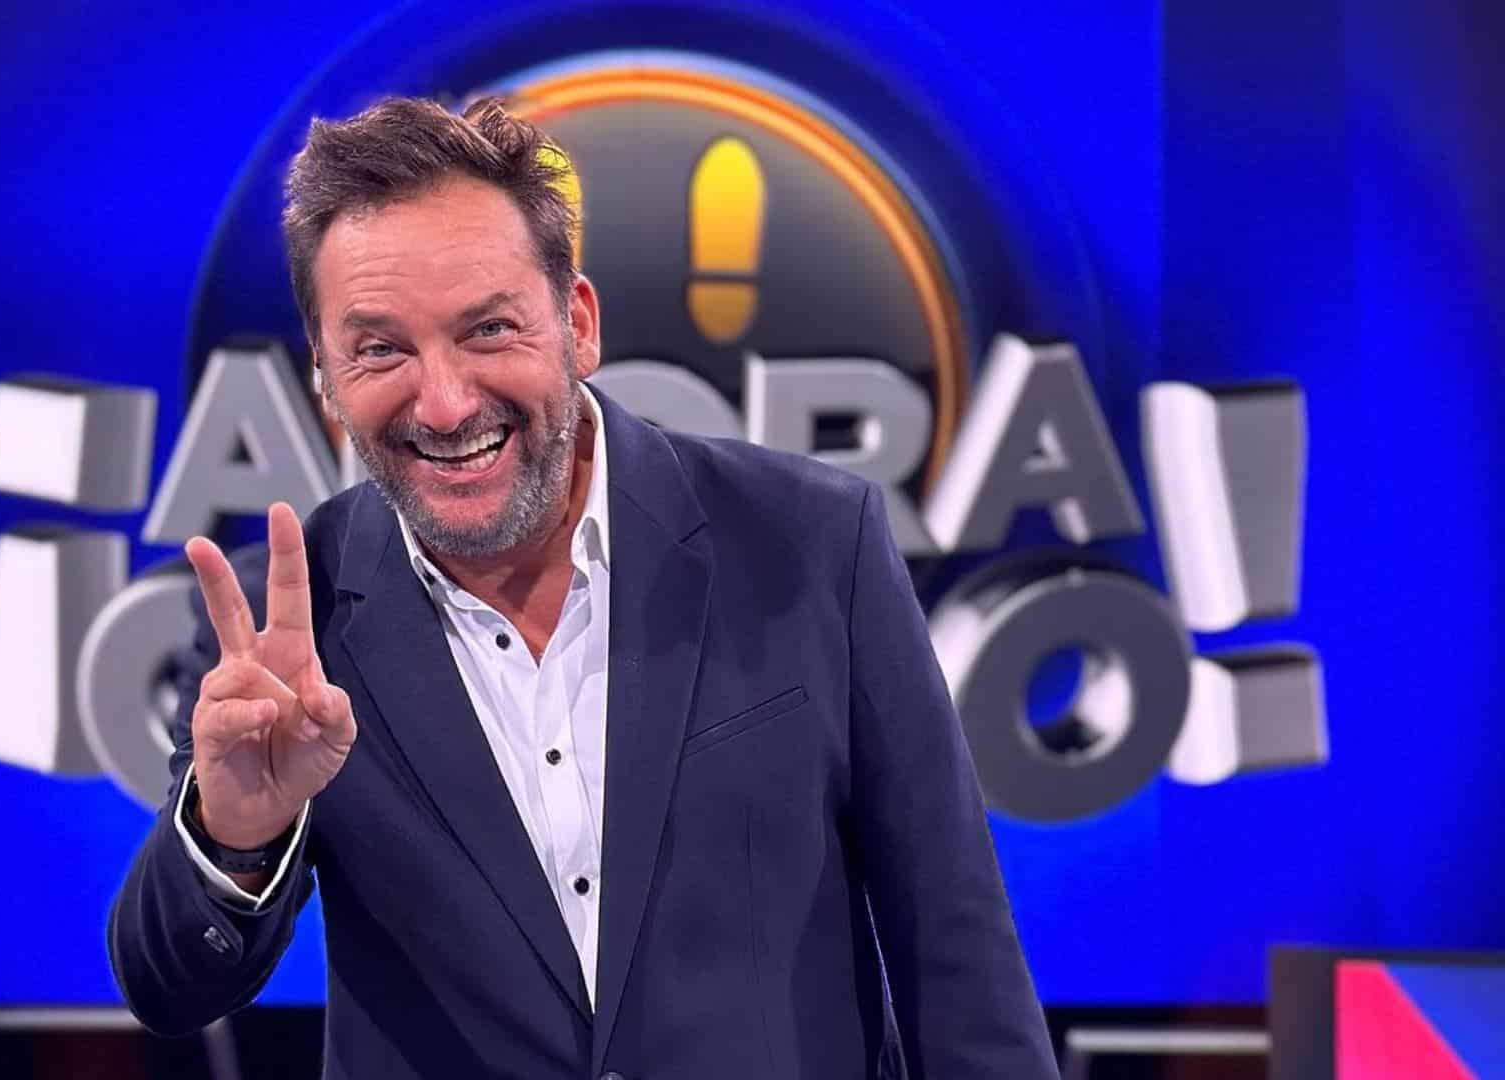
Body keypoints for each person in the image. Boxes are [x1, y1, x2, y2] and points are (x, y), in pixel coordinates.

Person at [109, 96, 1057, 1079]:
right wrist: (236, 832)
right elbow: (169, 990)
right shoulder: (285, 623)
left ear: (579, 324)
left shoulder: (813, 544)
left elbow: (960, 966)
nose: (445, 403)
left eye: (489, 329)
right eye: (381, 349)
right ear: (325, 375)